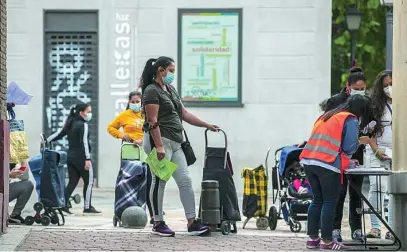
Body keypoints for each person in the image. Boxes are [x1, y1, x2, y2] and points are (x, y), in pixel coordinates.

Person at [141, 56, 219, 237]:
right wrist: (159, 147)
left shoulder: (170, 89)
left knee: (185, 181)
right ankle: (158, 222)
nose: (173, 74)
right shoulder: (151, 91)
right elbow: (152, 121)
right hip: (159, 142)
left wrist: (206, 125)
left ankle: (192, 223)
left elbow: (184, 113)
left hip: (176, 142)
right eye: (171, 70)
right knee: (159, 181)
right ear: (161, 70)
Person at [300, 94, 373, 250]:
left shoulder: (328, 115)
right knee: (329, 202)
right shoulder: (350, 119)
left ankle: (312, 240)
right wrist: (361, 141)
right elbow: (349, 147)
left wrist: (345, 160)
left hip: (309, 160)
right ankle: (327, 241)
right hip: (327, 164)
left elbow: (327, 142)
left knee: (317, 200)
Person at [320, 67, 371, 242]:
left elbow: (370, 122)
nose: (360, 91)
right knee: (339, 192)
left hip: (357, 152)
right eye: (357, 87)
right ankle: (335, 229)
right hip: (337, 154)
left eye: (363, 87)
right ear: (348, 86)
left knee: (356, 192)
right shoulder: (335, 101)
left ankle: (356, 228)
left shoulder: (366, 101)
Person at [107, 91, 155, 224]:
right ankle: (121, 211)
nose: (135, 104)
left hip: (146, 152)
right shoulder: (124, 115)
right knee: (126, 183)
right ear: (129, 102)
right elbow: (110, 128)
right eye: (133, 101)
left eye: (137, 101)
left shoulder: (147, 115)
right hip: (130, 152)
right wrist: (122, 135)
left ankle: (152, 214)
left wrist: (145, 140)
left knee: (148, 182)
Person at [47, 103, 101, 215]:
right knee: (89, 181)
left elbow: (59, 134)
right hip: (81, 157)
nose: (90, 114)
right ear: (81, 113)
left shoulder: (70, 123)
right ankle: (87, 207)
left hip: (70, 157)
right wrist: (87, 159)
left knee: (72, 182)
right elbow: (84, 143)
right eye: (88, 112)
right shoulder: (83, 125)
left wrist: (46, 141)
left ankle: (63, 204)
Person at [365, 70, 393, 240]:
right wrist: (376, 150)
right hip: (377, 150)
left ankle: (392, 227)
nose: (389, 88)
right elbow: (369, 134)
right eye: (386, 85)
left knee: (393, 191)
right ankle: (375, 227)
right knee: (377, 188)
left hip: (397, 153)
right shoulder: (375, 106)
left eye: (392, 84)